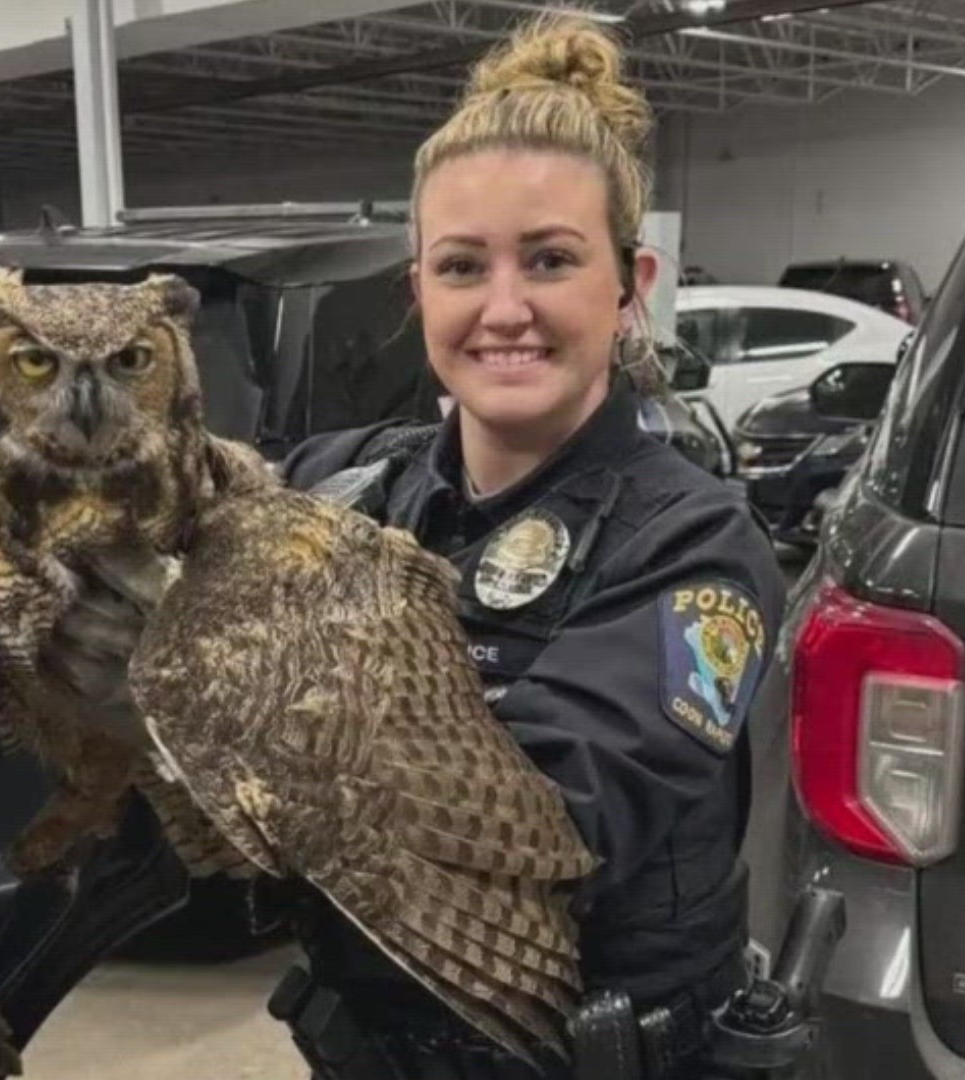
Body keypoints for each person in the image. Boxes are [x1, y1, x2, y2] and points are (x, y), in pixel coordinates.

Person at [267, 12, 788, 1080]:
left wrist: (245, 743)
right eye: (462, 267)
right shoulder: (341, 489)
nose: (505, 309)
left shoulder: (694, 546)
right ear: (417, 291)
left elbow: (535, 841)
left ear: (630, 286)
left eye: (550, 259)